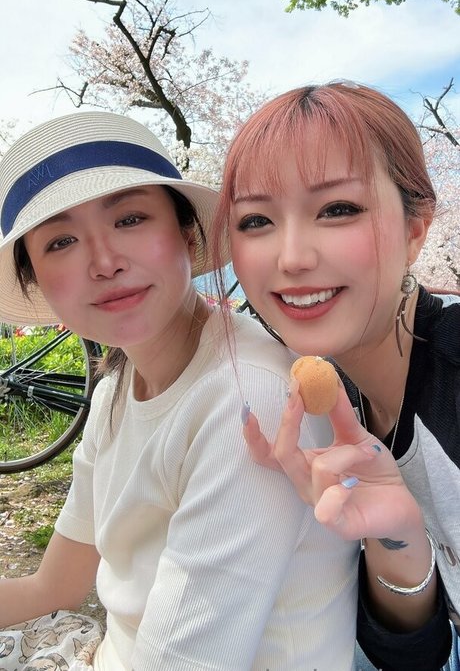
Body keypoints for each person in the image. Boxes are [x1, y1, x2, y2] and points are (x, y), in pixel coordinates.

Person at [0, 111, 360, 670]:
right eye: (62, 241)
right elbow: (56, 586)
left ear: (188, 235)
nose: (104, 262)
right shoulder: (115, 392)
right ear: (38, 284)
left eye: (130, 218)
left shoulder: (248, 399)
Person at [211, 82, 458, 671]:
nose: (292, 257)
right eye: (256, 220)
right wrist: (397, 540)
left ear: (416, 228)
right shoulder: (330, 400)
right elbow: (415, 655)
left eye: (338, 209)